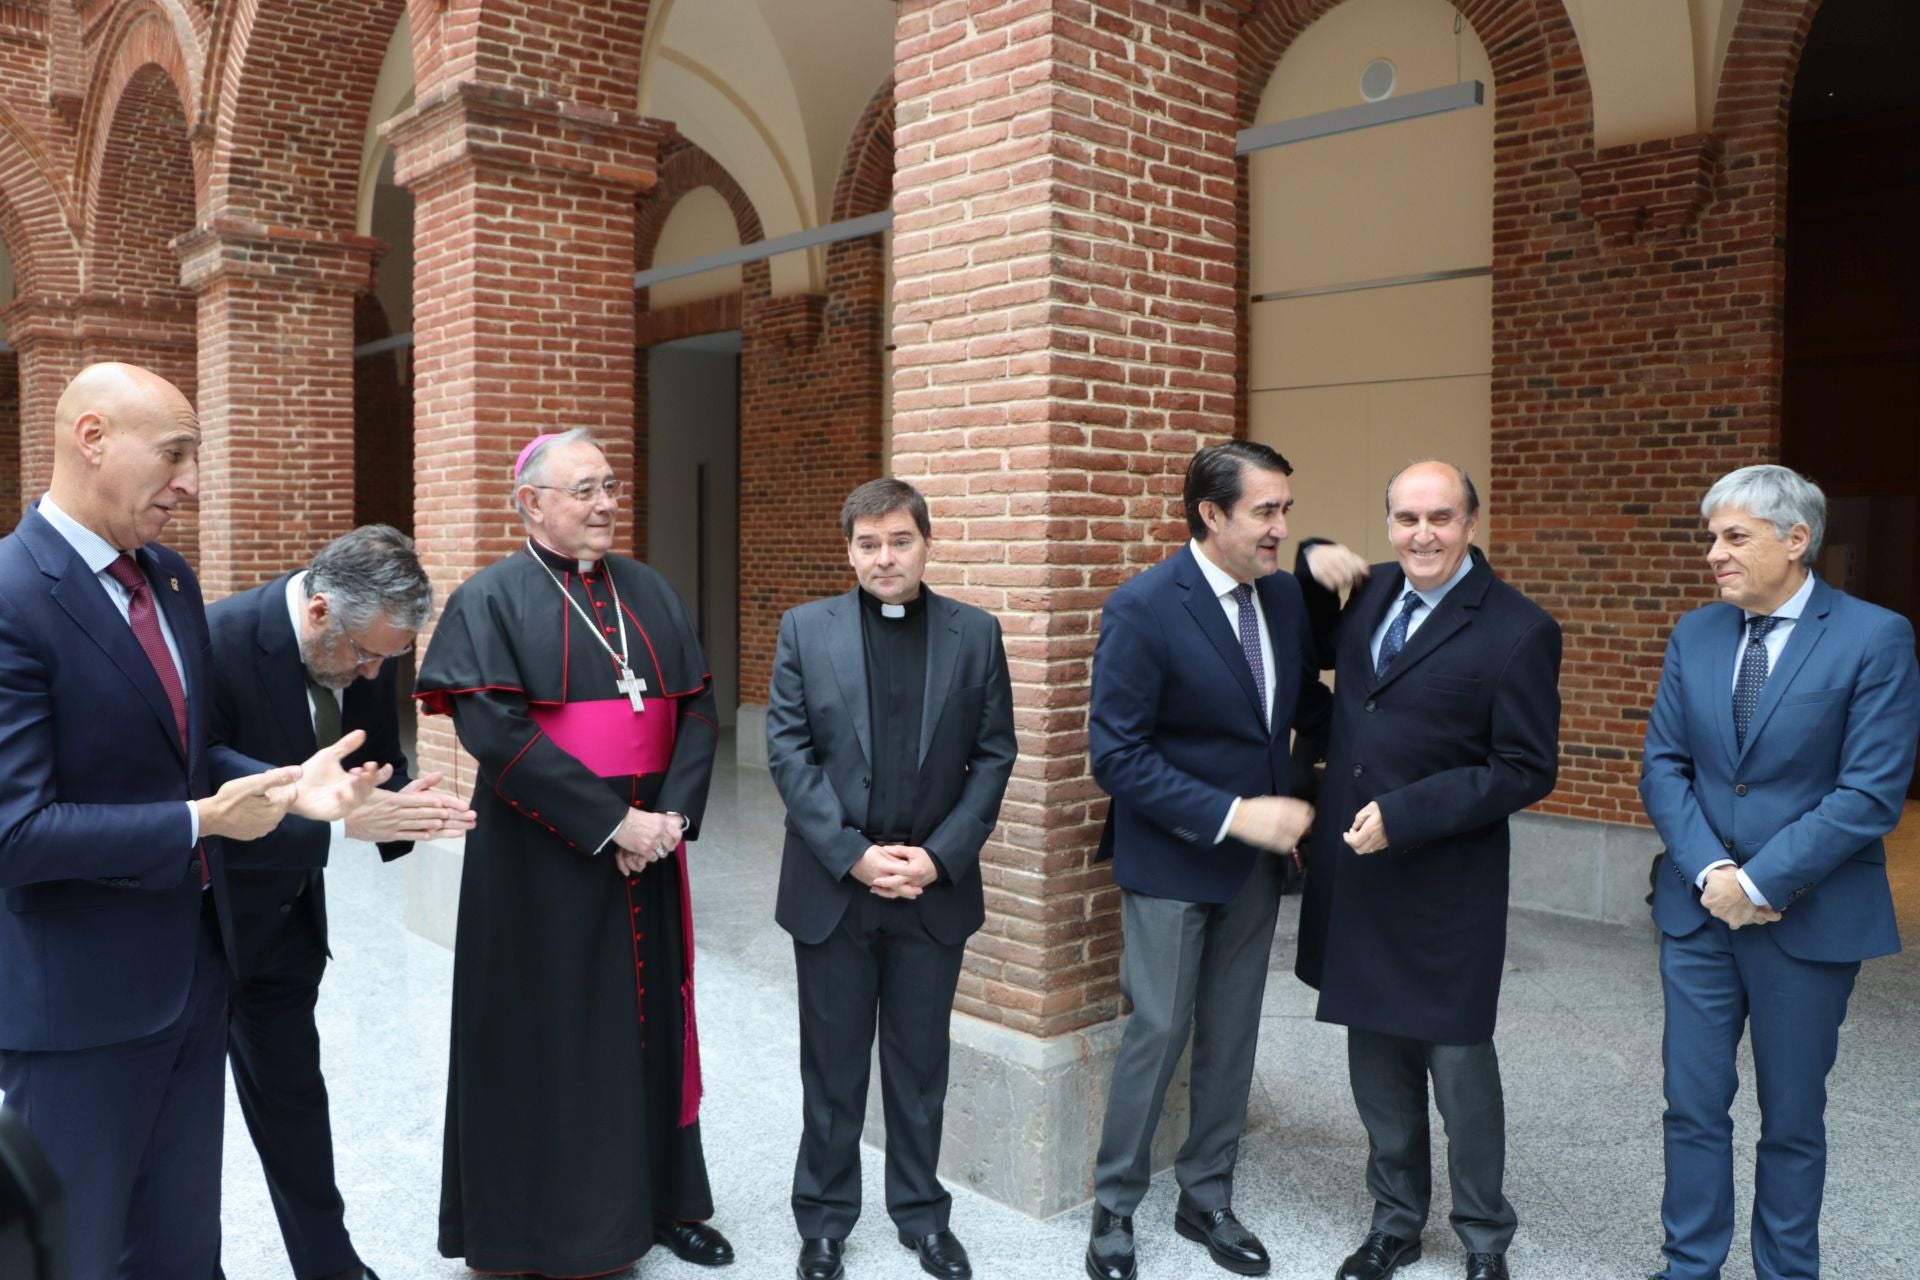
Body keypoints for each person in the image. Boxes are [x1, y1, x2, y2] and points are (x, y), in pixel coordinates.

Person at [0, 362, 386, 1280]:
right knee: (71, 1254)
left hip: (194, 981)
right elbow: (15, 833)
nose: (192, 483)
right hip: (78, 1008)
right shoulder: (13, 596)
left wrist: (292, 788)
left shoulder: (170, 580)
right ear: (92, 439)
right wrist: (196, 823)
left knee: (179, 1250)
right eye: (174, 454)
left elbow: (190, 755)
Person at [413, 428, 733, 1277]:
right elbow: (496, 732)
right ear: (532, 503)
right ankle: (538, 1228)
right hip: (540, 855)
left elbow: (697, 707)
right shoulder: (488, 598)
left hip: (649, 849)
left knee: (650, 1024)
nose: (605, 505)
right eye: (585, 490)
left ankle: (662, 1205)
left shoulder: (649, 591)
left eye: (611, 487)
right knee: (549, 1032)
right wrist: (610, 823)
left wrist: (666, 819)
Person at [1640, 464, 1918, 1280]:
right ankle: (1688, 1266)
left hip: (1808, 918)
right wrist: (1713, 873)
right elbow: (1665, 768)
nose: (1715, 555)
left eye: (1735, 537)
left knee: (1793, 1117)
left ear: (1797, 540)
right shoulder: (1696, 632)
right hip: (1698, 913)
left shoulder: (1874, 636)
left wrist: (1756, 884)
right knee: (1692, 1107)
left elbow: (1870, 793)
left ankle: (1785, 1273)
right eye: (1712, 538)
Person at [1291, 460, 1561, 1280]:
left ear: (1472, 524)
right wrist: (1308, 557)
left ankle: (1484, 1239)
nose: (1423, 535)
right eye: (1407, 519)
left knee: (1458, 1063)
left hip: (1447, 879)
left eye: (1440, 517)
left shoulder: (1518, 627)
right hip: (1357, 870)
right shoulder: (1369, 591)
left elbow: (1524, 767)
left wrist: (1408, 814)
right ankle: (1395, 1223)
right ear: (1388, 526)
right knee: (1375, 1058)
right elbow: (1306, 649)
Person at [1084, 440, 1333, 1280]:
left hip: (1259, 871)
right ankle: (1114, 1207)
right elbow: (1115, 757)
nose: (1282, 529)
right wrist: (1235, 814)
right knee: (1157, 1033)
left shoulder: (1288, 601)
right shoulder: (1144, 607)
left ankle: (1206, 1197)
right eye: (1266, 512)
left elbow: (1306, 703)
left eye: (1286, 511)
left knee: (1233, 1034)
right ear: (1211, 514)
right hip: (1172, 861)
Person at [208, 523, 474, 1280]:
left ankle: (332, 1268)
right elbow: (197, 785)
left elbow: (367, 764)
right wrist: (334, 819)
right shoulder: (217, 640)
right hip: (207, 920)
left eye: (387, 659)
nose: (371, 670)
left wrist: (401, 807)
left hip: (289, 925)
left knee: (295, 1105)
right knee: (184, 1129)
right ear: (320, 611)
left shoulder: (369, 640)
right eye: (365, 655)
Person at [767, 479, 1017, 1280]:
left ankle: (921, 1216)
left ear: (926, 542)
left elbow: (995, 755)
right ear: (849, 550)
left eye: (900, 540)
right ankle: (826, 1220)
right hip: (836, 889)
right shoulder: (806, 630)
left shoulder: (976, 634)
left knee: (918, 1068)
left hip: (931, 890)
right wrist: (854, 855)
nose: (885, 557)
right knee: (833, 1069)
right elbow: (789, 753)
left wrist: (940, 856)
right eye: (869, 543)